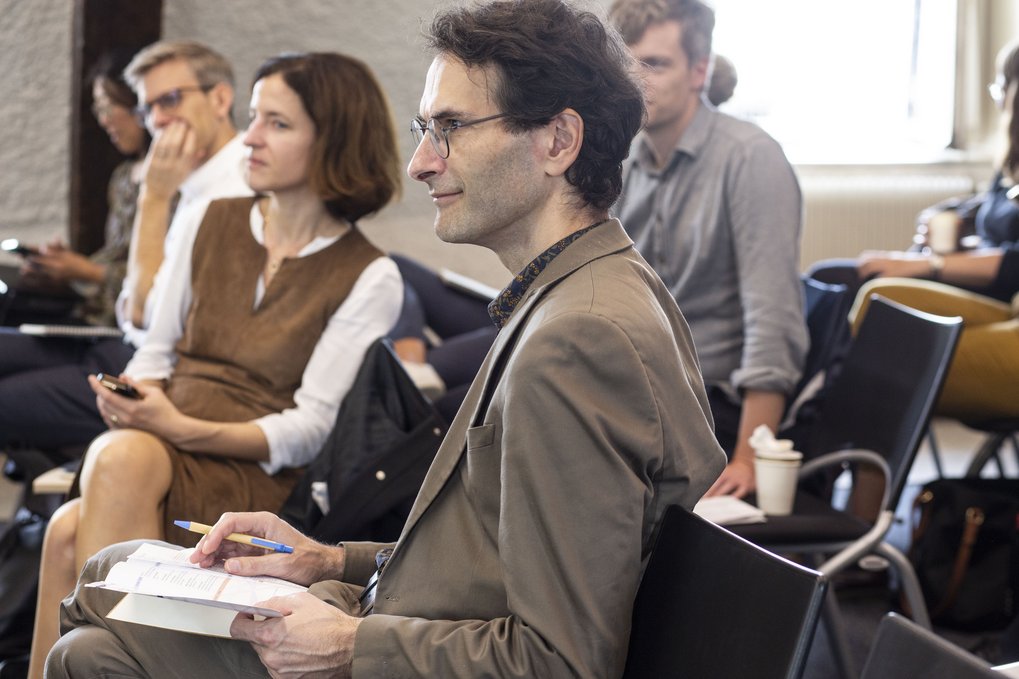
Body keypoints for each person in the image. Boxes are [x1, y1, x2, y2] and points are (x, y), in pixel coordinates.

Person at [47, 2, 726, 676]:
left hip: (395, 651)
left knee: (98, 604)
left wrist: (346, 644)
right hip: (409, 616)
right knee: (96, 624)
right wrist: (326, 557)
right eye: (424, 128)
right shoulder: (589, 288)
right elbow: (491, 559)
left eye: (451, 127)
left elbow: (560, 659)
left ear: (557, 141)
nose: (421, 163)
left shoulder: (579, 338)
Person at [30, 51, 404, 679]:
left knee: (102, 486)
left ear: (334, 140)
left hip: (246, 470)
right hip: (161, 433)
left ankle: (116, 660)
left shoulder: (371, 274)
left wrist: (173, 427)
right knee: (70, 524)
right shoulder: (212, 217)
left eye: (277, 124)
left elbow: (304, 430)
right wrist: (138, 397)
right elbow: (153, 347)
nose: (250, 137)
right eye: (254, 117)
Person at [0, 40, 249, 455]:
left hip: (152, 370)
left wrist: (153, 197)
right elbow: (131, 304)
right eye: (148, 108)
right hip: (117, 344)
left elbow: (139, 312)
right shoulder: (190, 177)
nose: (158, 120)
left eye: (169, 100)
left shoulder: (235, 187)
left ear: (220, 98)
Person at [608, 0, 808, 498]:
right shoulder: (627, 159)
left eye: (654, 64)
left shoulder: (749, 158)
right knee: (473, 414)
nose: (636, 81)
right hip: (637, 387)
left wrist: (748, 457)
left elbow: (773, 320)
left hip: (708, 408)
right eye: (625, 65)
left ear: (700, 71)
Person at [812, 39, 1019, 422]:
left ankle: (821, 440)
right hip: (985, 287)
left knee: (879, 314)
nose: (998, 101)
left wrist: (930, 265)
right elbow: (999, 233)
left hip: (1005, 301)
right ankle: (808, 427)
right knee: (833, 279)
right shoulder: (1010, 162)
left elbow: (1013, 263)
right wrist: (957, 234)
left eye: (999, 89)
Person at [5, 49, 148, 328]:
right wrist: (61, 266)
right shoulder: (122, 177)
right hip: (92, 317)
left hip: (121, 329)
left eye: (108, 107)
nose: (103, 120)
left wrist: (86, 271)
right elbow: (115, 256)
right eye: (98, 109)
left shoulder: (173, 184)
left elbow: (158, 283)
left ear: (137, 105)